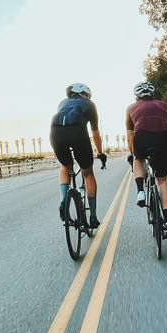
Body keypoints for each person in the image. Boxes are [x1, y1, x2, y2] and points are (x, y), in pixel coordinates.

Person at [50, 83, 107, 228]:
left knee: (65, 166)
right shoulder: (90, 104)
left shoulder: (62, 103)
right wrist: (100, 153)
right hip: (77, 132)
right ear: (85, 94)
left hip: (55, 131)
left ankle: (64, 201)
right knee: (87, 172)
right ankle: (93, 217)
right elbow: (95, 133)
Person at [126, 81, 167, 238]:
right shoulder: (164, 105)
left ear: (137, 96)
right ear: (152, 95)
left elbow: (130, 134)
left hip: (142, 138)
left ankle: (140, 191)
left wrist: (133, 152)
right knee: (162, 181)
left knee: (138, 159)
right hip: (163, 140)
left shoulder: (131, 108)